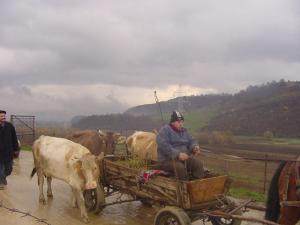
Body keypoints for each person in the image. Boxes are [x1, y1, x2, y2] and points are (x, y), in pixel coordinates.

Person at [156, 111, 204, 180]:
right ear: (173, 122)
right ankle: (184, 188)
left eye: (182, 122)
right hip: (167, 161)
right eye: (179, 122)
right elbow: (163, 145)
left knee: (198, 164)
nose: (181, 124)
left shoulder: (184, 131)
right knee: (180, 168)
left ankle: (195, 186)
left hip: (183, 159)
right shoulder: (164, 131)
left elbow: (192, 140)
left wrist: (194, 147)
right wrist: (177, 154)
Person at [0, 110, 20, 190]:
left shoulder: (10, 126)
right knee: (1, 169)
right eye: (1, 116)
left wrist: (16, 149)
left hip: (9, 152)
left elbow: (14, 138)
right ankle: (1, 182)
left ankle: (3, 178)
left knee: (9, 169)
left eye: (4, 116)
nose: (4, 117)